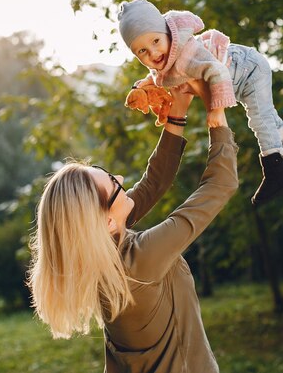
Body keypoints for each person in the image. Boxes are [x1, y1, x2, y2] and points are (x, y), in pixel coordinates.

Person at [27, 90, 238, 373]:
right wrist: (217, 119)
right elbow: (220, 185)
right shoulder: (142, 260)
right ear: (105, 223)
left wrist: (177, 114)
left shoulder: (100, 257)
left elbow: (154, 183)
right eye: (114, 183)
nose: (123, 180)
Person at [118, 0, 283, 206]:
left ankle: (275, 168)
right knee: (268, 114)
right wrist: (142, 86)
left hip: (249, 68)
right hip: (242, 75)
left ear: (167, 33)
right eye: (142, 51)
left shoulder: (186, 56)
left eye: (156, 41)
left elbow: (216, 71)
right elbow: (158, 76)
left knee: (260, 118)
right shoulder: (166, 57)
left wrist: (216, 110)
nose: (153, 53)